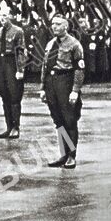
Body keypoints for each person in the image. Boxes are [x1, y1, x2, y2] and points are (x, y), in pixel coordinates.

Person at [39, 15, 85, 169]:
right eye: (53, 24)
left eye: (58, 24)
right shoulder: (51, 44)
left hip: (65, 82)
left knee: (69, 120)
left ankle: (72, 155)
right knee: (58, 120)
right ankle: (64, 154)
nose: (54, 27)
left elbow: (79, 69)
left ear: (66, 26)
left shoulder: (74, 44)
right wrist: (43, 88)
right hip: (52, 84)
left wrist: (75, 91)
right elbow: (45, 67)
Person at [0, 8, 26, 138]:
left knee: (14, 96)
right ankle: (9, 127)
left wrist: (20, 69)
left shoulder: (18, 31)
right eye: (0, 15)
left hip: (11, 63)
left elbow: (20, 51)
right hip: (0, 65)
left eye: (5, 15)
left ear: (10, 17)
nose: (2, 18)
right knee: (4, 96)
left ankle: (16, 127)